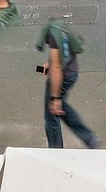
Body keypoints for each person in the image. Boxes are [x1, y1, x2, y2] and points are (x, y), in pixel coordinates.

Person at [38, 19, 98, 148]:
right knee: (60, 108)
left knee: (52, 116)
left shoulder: (52, 32)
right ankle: (89, 138)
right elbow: (65, 50)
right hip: (72, 72)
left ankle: (56, 151)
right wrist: (50, 63)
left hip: (62, 77)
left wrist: (55, 97)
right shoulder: (62, 26)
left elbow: (57, 68)